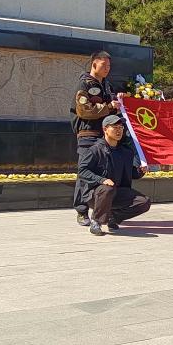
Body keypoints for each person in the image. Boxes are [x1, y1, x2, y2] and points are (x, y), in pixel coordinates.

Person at [77, 115, 151, 236]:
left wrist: (141, 171)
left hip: (117, 192)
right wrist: (101, 180)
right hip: (95, 194)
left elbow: (131, 173)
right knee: (107, 189)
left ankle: (113, 217)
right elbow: (83, 171)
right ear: (105, 129)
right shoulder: (95, 150)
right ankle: (96, 222)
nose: (119, 130)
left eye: (121, 127)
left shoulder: (125, 152)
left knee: (144, 202)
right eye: (115, 127)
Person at [70, 51, 119, 227]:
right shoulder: (84, 84)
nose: (107, 69)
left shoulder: (107, 85)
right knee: (85, 171)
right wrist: (109, 107)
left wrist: (118, 103)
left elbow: (113, 106)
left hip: (105, 136)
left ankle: (103, 211)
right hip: (87, 134)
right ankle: (81, 211)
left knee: (105, 173)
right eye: (104, 65)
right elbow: (84, 110)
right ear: (94, 64)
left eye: (109, 66)